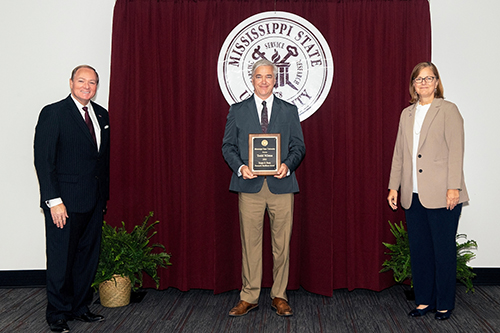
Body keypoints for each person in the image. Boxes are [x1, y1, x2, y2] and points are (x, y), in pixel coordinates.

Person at [222, 59, 305, 317]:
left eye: (269, 76)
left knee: (282, 245)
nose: (264, 81)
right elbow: (227, 147)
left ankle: (279, 295)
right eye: (259, 76)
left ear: (275, 79)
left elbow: (298, 147)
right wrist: (241, 168)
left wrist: (288, 166)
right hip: (249, 186)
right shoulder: (237, 110)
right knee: (250, 243)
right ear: (252, 79)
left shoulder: (289, 110)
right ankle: (249, 296)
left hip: (282, 185)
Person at [387, 62, 469, 320]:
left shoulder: (448, 110)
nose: (424, 83)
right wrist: (394, 186)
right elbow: (399, 153)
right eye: (419, 79)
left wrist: (453, 187)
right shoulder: (406, 114)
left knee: (443, 251)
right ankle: (424, 300)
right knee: (420, 250)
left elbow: (456, 151)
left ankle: (444, 303)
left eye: (429, 78)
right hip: (413, 194)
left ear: (436, 82)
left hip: (443, 193)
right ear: (413, 85)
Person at [34, 65, 110, 332]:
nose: (87, 86)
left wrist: (104, 198)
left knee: (86, 259)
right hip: (64, 204)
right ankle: (57, 313)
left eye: (92, 82)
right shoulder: (54, 113)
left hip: (94, 201)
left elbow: (101, 161)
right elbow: (44, 161)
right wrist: (53, 201)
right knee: (60, 260)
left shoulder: (101, 114)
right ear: (71, 83)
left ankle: (79, 307)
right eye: (81, 81)